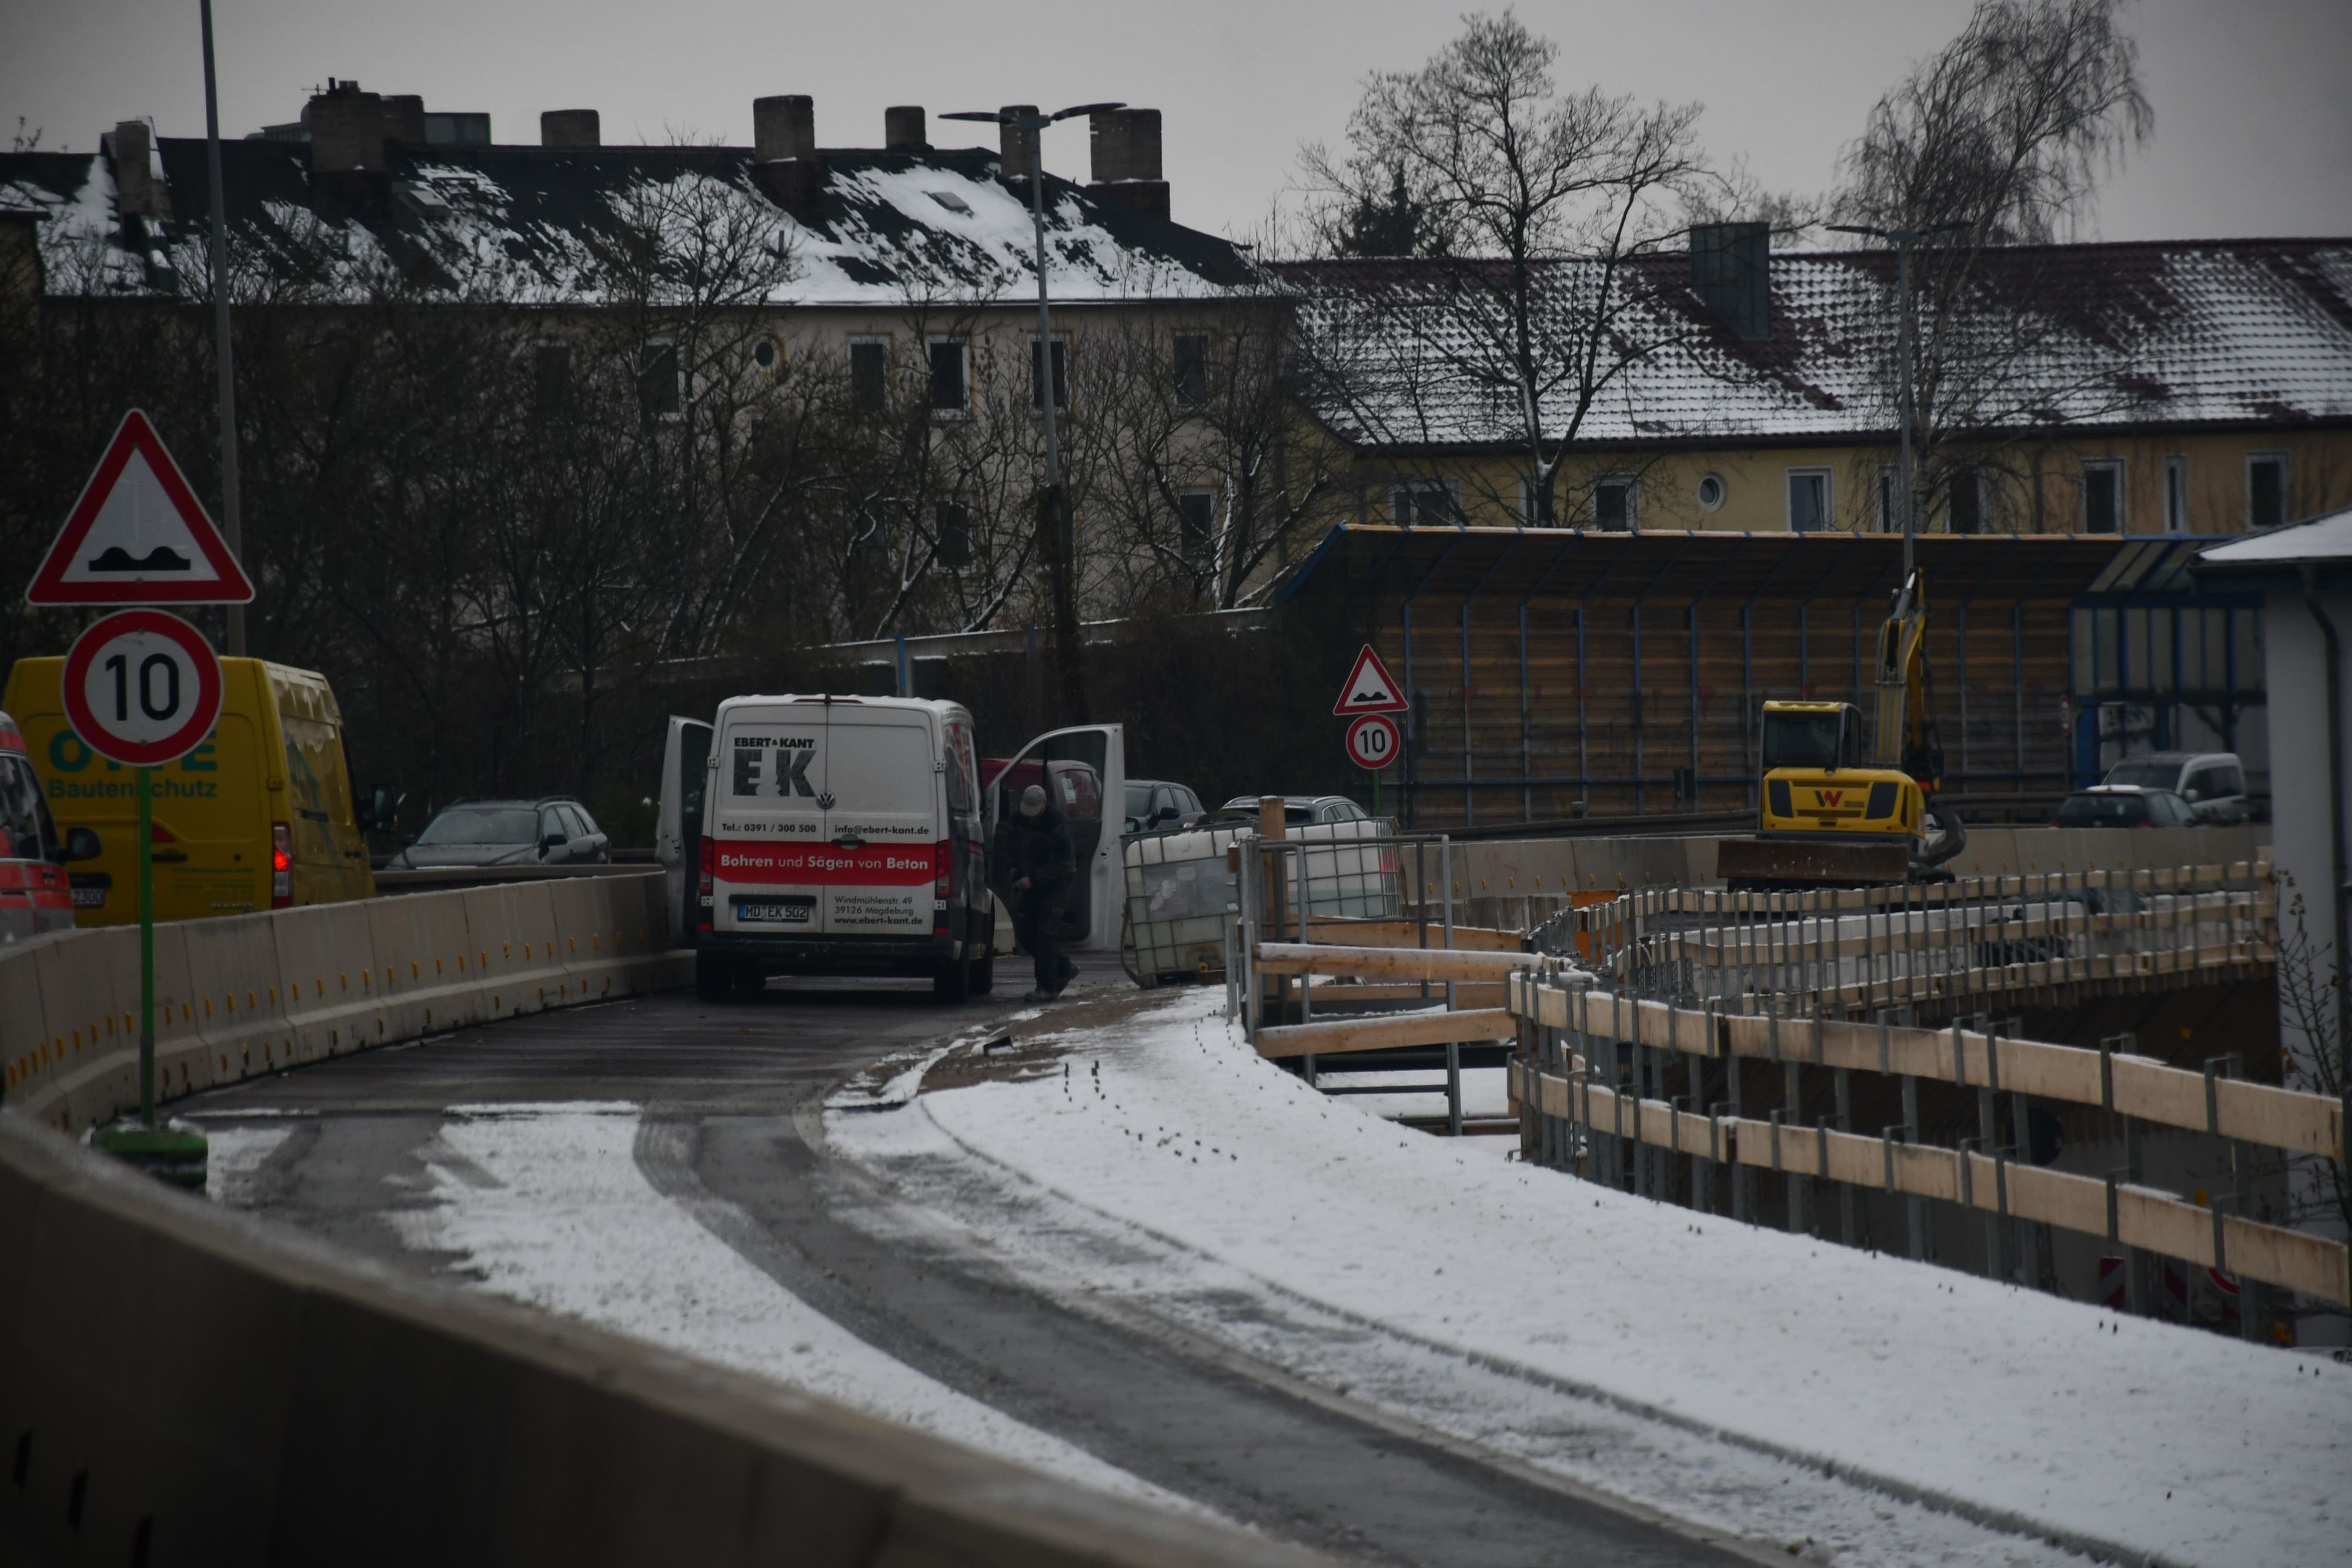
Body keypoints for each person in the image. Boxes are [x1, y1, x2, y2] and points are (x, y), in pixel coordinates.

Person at [997, 783, 1078, 1001]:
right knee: (1025, 933)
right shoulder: (1017, 820)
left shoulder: (1058, 823)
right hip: (1028, 882)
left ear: (1044, 804)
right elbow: (1008, 849)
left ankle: (1047, 986)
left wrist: (1033, 879)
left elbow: (1064, 863)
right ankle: (1062, 968)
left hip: (1057, 883)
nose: (1030, 817)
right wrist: (1014, 873)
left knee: (1045, 932)